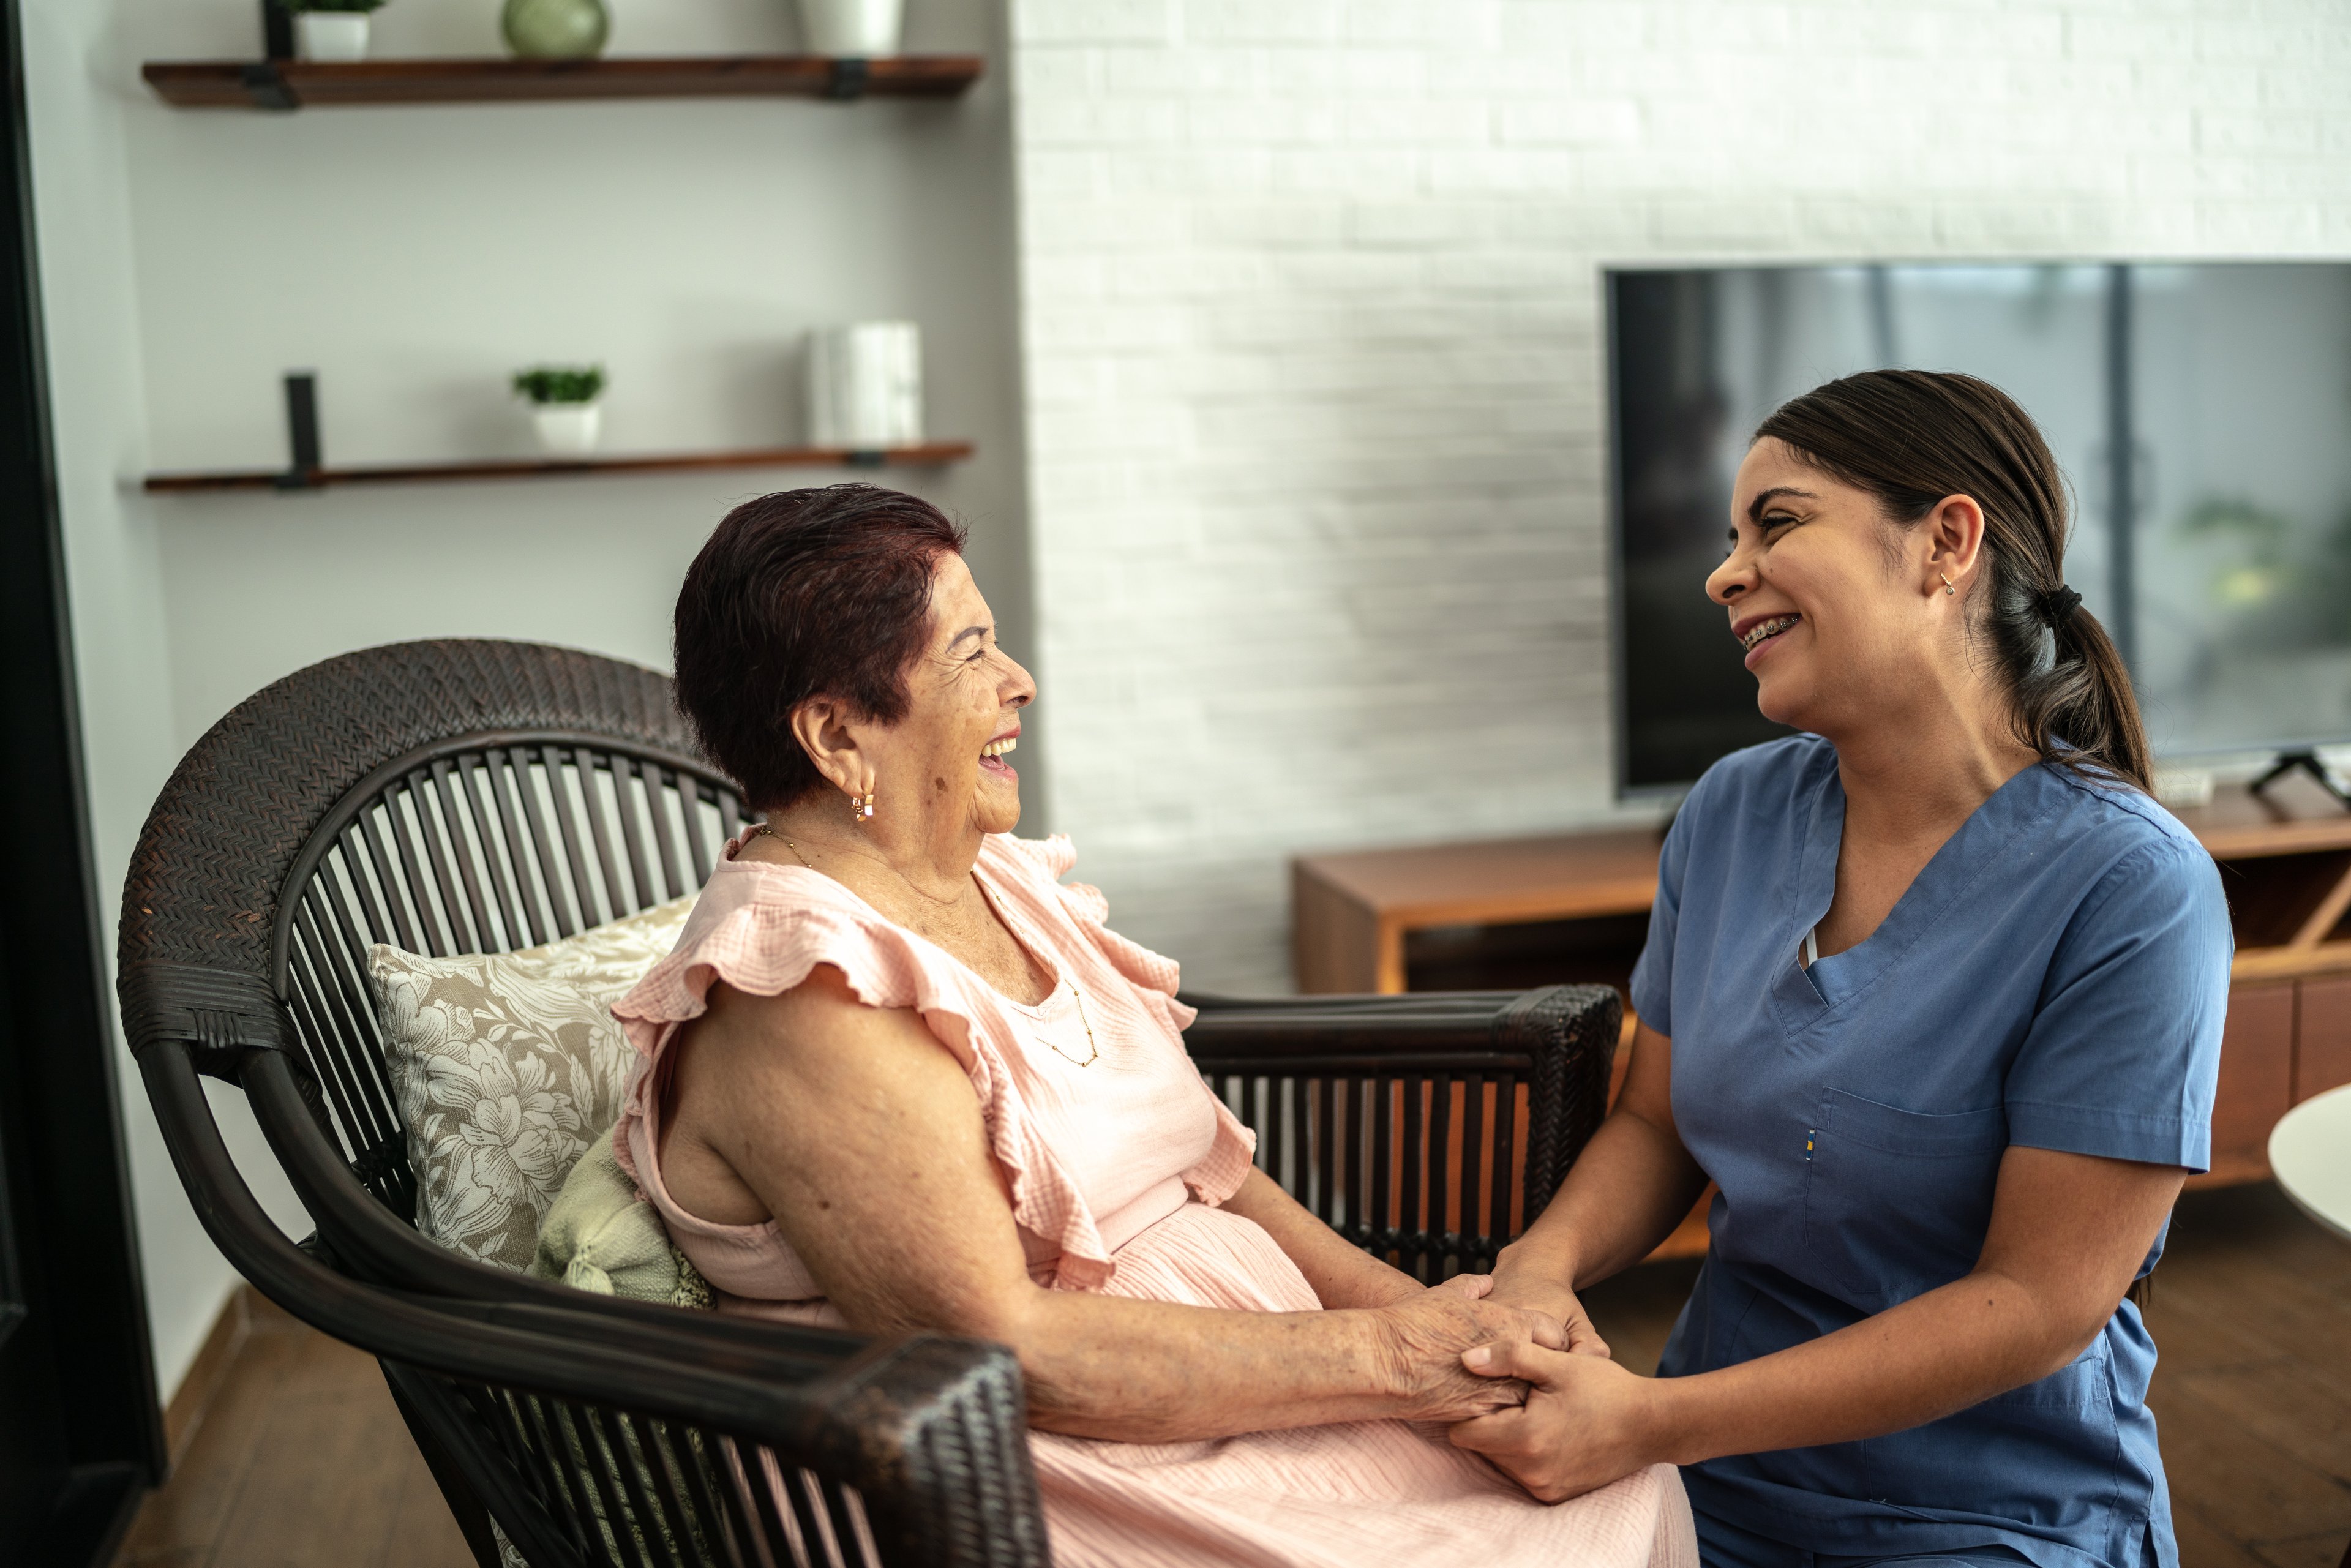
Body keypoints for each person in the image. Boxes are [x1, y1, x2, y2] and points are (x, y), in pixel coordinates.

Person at [609, 484, 1695, 1567]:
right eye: (973, 651)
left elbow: (1217, 1171)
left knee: (1611, 1472)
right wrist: (1402, 1355)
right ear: (840, 733)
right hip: (1049, 1472)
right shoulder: (807, 991)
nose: (1018, 681)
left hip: (1271, 1393)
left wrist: (1448, 1325)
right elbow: (1007, 1354)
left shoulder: (1000, 880)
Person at [1453, 371, 2232, 1568]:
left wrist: (1649, 1423)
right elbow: (1659, 1124)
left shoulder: (2132, 888)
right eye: (1729, 539)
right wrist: (1536, 1269)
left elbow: (2038, 1304)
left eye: (1778, 522)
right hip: (1701, 1470)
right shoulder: (1730, 814)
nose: (1724, 573)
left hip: (1988, 1513)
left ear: (1946, 543)